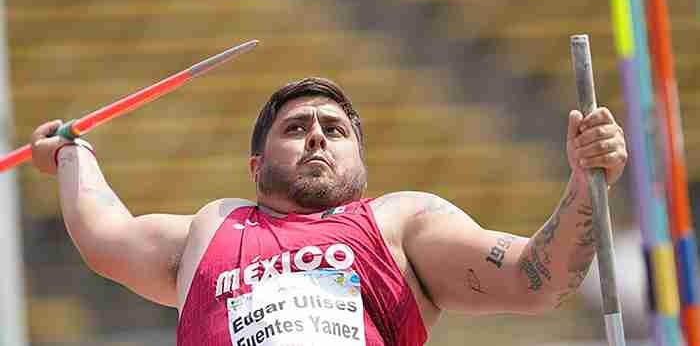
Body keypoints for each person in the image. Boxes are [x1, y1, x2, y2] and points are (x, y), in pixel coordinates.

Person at [30, 77, 627, 346]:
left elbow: (536, 278)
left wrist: (583, 182)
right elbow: (105, 235)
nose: (317, 136)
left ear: (360, 160)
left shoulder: (399, 224)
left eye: (335, 130)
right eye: (296, 128)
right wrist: (71, 151)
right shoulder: (213, 227)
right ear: (256, 166)